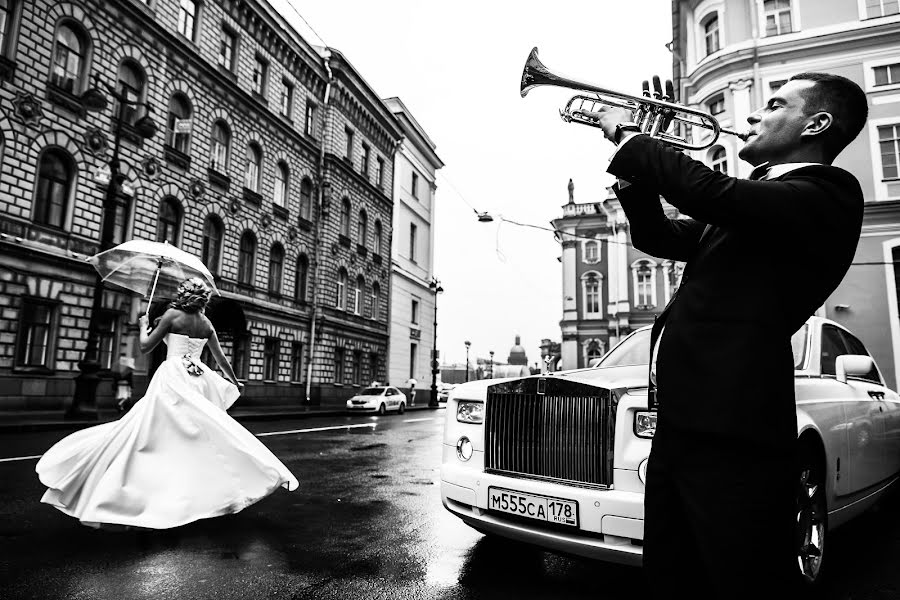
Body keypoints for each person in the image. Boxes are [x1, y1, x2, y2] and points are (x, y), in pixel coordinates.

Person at [587, 73, 868, 597]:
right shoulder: (753, 205)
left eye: (774, 104)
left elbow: (709, 192)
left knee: (736, 573)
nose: (754, 116)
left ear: (817, 124)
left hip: (734, 421)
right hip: (683, 415)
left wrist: (633, 139)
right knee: (675, 569)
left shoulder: (827, 191)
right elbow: (658, 235)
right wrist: (635, 174)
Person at [36, 278, 298, 529]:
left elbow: (146, 346)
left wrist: (143, 326)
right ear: (202, 300)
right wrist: (234, 381)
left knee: (154, 429)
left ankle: (150, 486)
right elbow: (221, 360)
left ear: (183, 295)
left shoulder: (172, 316)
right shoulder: (206, 323)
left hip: (173, 375)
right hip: (197, 377)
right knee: (200, 433)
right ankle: (207, 488)